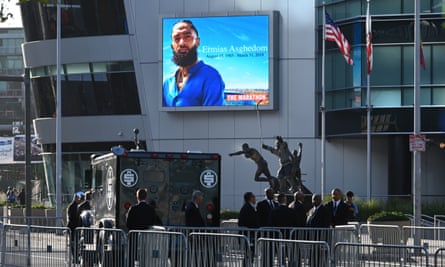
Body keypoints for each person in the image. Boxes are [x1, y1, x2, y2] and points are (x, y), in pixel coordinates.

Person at [163, 20, 225, 107]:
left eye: (187, 37)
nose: (181, 43)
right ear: (172, 45)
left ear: (197, 42)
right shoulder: (167, 83)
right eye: (177, 38)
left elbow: (213, 118)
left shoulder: (211, 77)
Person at [67, 193, 81, 263]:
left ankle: (76, 257)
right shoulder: (72, 206)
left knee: (77, 244)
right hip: (72, 228)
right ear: (75, 199)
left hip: (76, 228)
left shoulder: (78, 206)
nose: (79, 200)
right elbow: (71, 217)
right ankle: (74, 258)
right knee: (73, 243)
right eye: (77, 198)